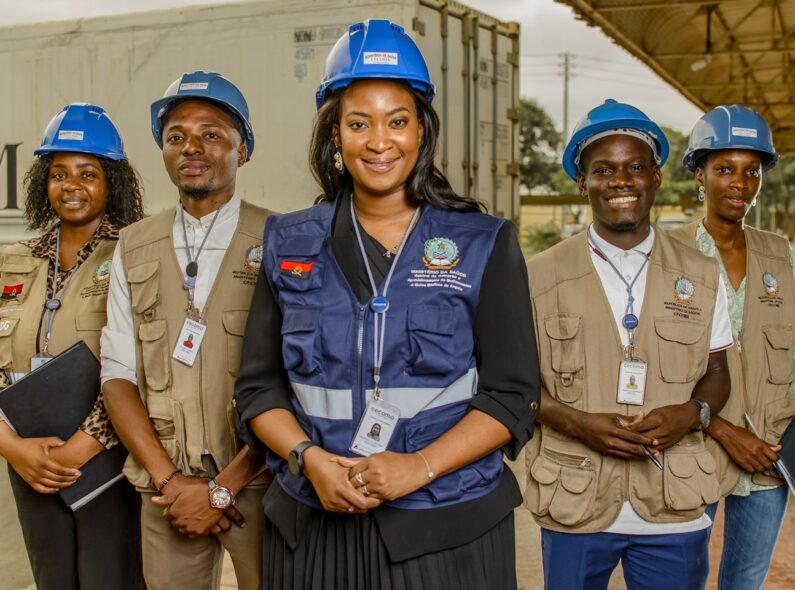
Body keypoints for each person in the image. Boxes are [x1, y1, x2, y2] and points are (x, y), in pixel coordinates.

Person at [234, 19, 540, 590]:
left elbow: (513, 395)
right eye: (359, 123)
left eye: (397, 121)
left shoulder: (482, 243)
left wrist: (417, 467)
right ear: (334, 136)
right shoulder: (288, 241)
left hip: (447, 526)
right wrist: (308, 458)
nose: (379, 142)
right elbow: (258, 388)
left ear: (422, 131)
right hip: (315, 523)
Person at [524, 99, 734, 590]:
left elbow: (718, 372)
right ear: (583, 182)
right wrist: (577, 422)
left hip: (674, 505)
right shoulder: (538, 276)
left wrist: (693, 413)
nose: (621, 180)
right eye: (604, 170)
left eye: (636, 167)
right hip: (574, 499)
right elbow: (518, 383)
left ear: (656, 177)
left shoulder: (701, 275)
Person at [101, 71, 272, 590]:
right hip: (166, 489)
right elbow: (117, 375)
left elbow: (300, 381)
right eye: (176, 136)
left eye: (211, 133)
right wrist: (172, 482)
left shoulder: (282, 239)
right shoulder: (133, 245)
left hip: (260, 481)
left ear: (242, 152)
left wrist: (221, 489)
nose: (191, 147)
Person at [0, 103, 145, 589]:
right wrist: (12, 448)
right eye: (59, 173)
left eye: (88, 173)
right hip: (30, 458)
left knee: (110, 579)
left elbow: (143, 361)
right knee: (53, 580)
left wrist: (81, 448)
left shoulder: (134, 253)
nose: (72, 186)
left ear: (112, 183)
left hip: (106, 461)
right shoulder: (14, 260)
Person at [668, 104, 794, 589]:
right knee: (681, 576)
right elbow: (652, 366)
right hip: (692, 448)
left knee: (745, 581)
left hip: (768, 455)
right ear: (699, 174)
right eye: (724, 169)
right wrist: (719, 428)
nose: (739, 183)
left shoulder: (781, 255)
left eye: (751, 170)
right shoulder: (667, 252)